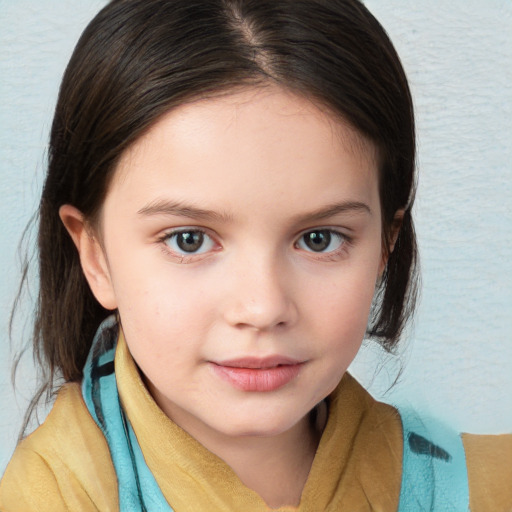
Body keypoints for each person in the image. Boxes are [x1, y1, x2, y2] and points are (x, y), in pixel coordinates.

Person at [0, 0, 510, 510]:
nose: (263, 308)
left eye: (319, 239)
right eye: (189, 240)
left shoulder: (486, 489)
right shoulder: (45, 497)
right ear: (96, 256)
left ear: (385, 246)